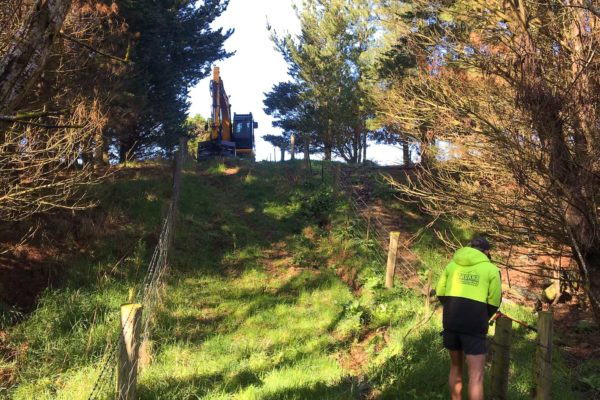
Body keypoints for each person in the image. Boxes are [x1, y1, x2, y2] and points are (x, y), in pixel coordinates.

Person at [435, 236, 502, 400]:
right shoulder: (492, 270)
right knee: (476, 376)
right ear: (487, 252)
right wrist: (483, 315)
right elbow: (494, 301)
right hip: (474, 324)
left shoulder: (452, 265)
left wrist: (451, 308)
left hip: (451, 321)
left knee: (455, 367)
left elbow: (440, 292)